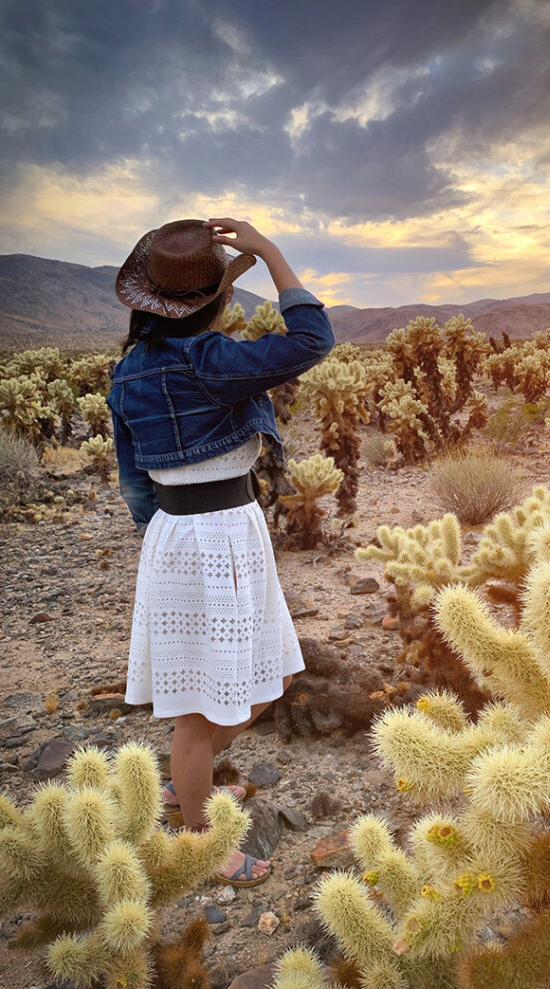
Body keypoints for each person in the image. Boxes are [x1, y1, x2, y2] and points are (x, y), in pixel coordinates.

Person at [107, 217, 335, 885]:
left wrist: (165, 535)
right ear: (214, 303)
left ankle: (188, 787)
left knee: (271, 677)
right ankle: (203, 840)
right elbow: (313, 338)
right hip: (216, 533)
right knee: (203, 711)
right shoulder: (212, 363)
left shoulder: (131, 372)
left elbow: (130, 479)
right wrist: (265, 253)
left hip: (185, 536)